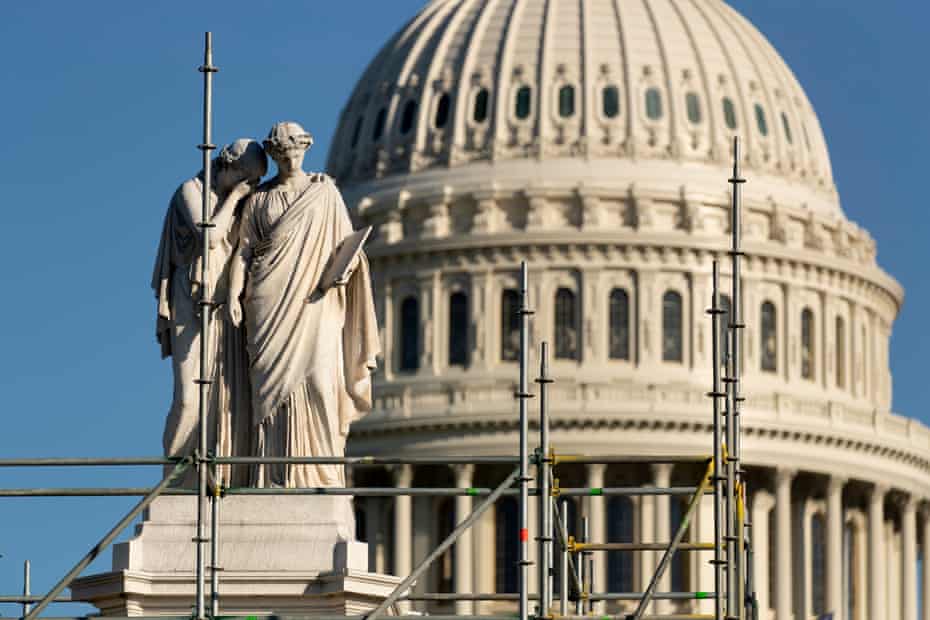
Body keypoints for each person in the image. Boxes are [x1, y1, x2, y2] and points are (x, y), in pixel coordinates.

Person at [228, 121, 379, 488]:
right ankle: (272, 475)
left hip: (318, 302)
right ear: (274, 154)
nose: (290, 157)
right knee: (270, 397)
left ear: (306, 149)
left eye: (295, 150)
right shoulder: (259, 199)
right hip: (267, 302)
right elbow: (243, 251)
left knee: (321, 385)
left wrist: (348, 268)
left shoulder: (325, 193)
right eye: (282, 152)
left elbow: (348, 246)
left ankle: (320, 471)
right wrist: (233, 293)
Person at [152, 139, 267, 486]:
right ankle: (174, 482)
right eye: (248, 178)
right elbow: (210, 238)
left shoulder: (241, 201)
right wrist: (234, 198)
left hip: (224, 310)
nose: (252, 188)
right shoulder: (191, 191)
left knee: (223, 401)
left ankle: (210, 474)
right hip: (191, 304)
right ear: (229, 168)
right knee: (189, 399)